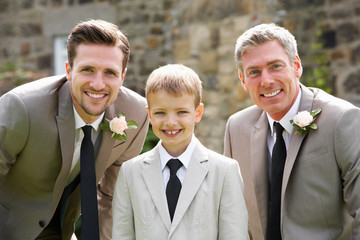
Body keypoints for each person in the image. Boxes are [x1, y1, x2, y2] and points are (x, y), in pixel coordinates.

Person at [0, 19, 149, 240]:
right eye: (88, 69)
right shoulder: (22, 108)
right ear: (68, 70)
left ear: (123, 76)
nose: (98, 84)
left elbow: (112, 198)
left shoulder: (137, 115)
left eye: (110, 72)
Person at [224, 22, 360, 239]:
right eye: (254, 72)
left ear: (296, 66)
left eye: (275, 66)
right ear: (243, 80)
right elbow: (230, 213)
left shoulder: (342, 120)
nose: (266, 81)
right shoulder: (236, 128)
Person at [112, 64, 248, 239]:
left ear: (198, 112)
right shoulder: (130, 172)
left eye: (181, 112)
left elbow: (234, 235)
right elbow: (122, 235)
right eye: (160, 112)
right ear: (150, 115)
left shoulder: (224, 171)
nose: (170, 122)